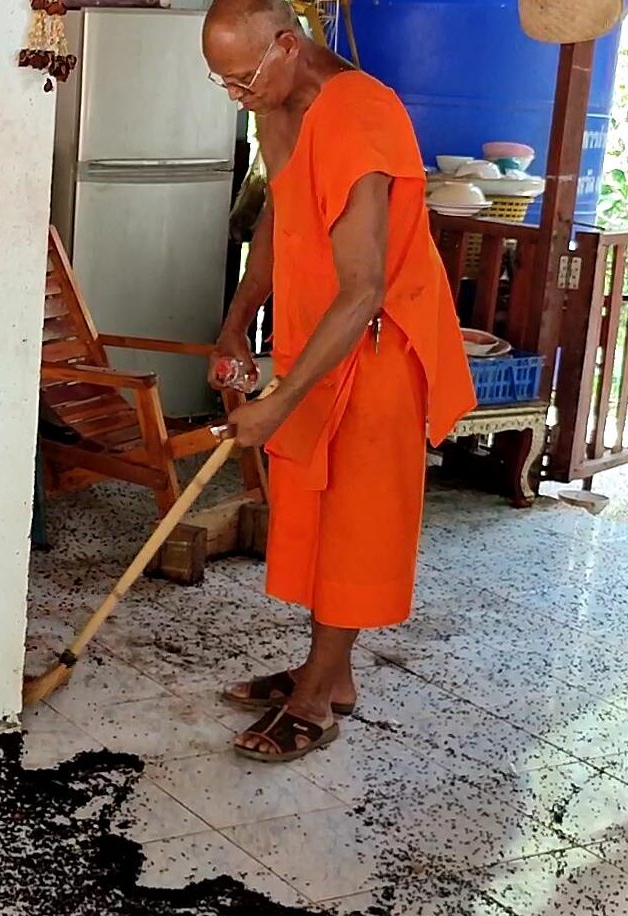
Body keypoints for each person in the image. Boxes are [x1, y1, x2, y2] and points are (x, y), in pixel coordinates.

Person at [201, 0, 476, 761]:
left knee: (354, 524)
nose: (239, 95)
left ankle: (316, 700)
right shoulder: (275, 104)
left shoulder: (360, 115)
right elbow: (278, 218)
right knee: (316, 514)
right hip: (313, 341)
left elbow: (363, 289)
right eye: (224, 84)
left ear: (288, 44)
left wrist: (277, 405)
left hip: (377, 346)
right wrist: (237, 322)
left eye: (244, 78)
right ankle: (329, 674)